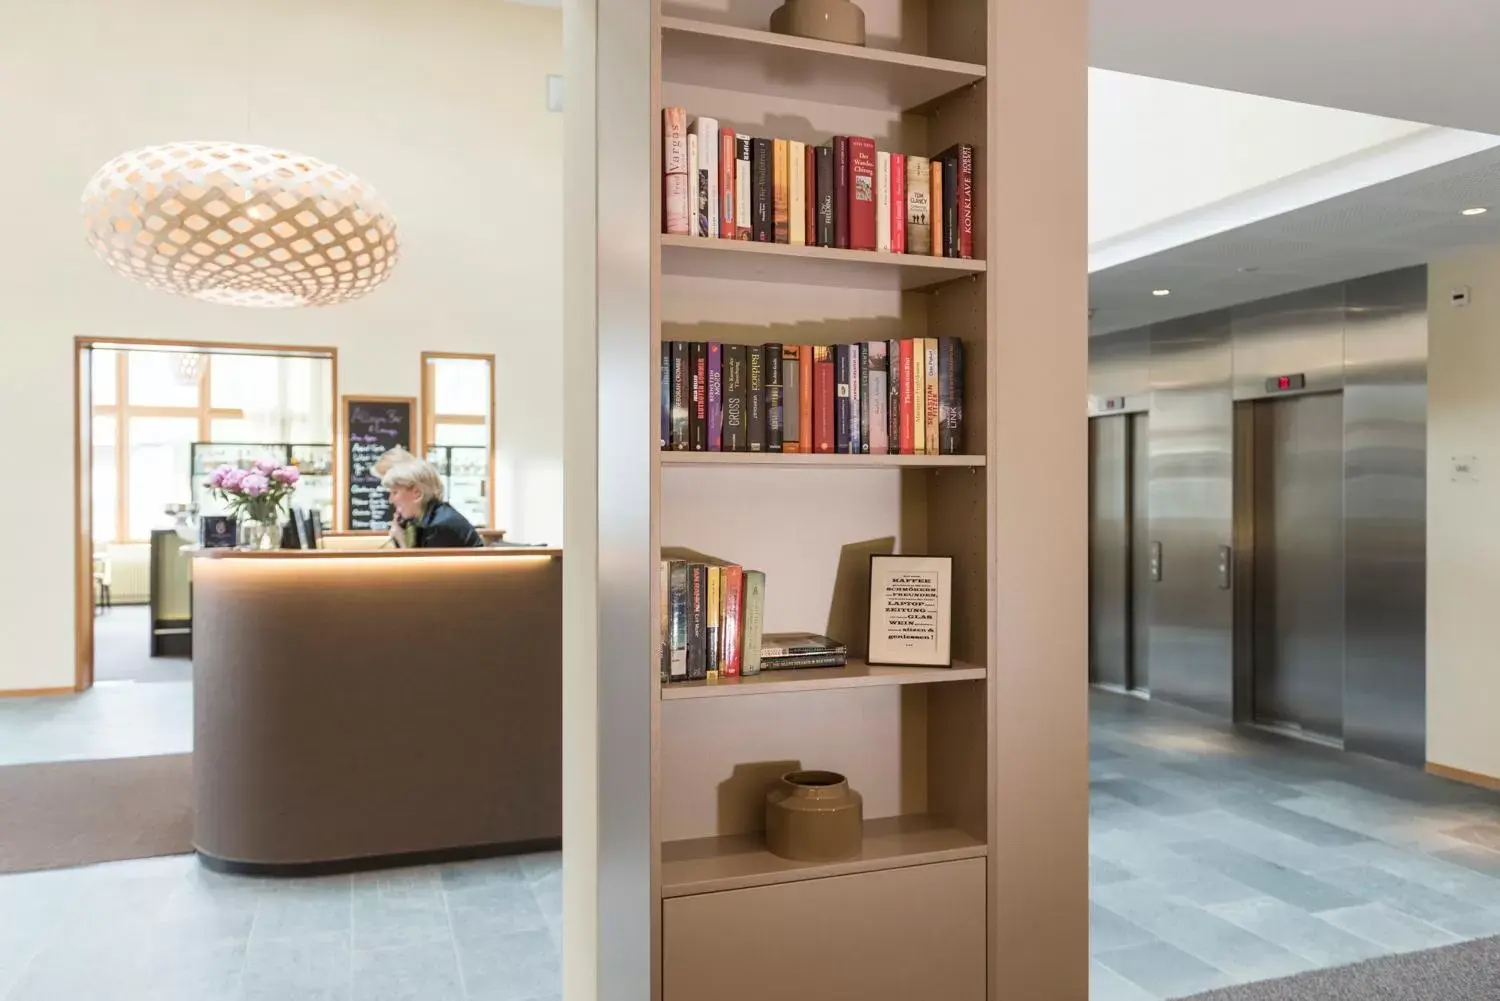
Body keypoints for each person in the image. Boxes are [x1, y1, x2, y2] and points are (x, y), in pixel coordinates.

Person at [379, 459, 483, 548]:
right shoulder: (426, 519)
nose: (390, 500)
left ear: (417, 493)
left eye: (395, 492)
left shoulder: (440, 526)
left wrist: (401, 541)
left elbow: (421, 570)